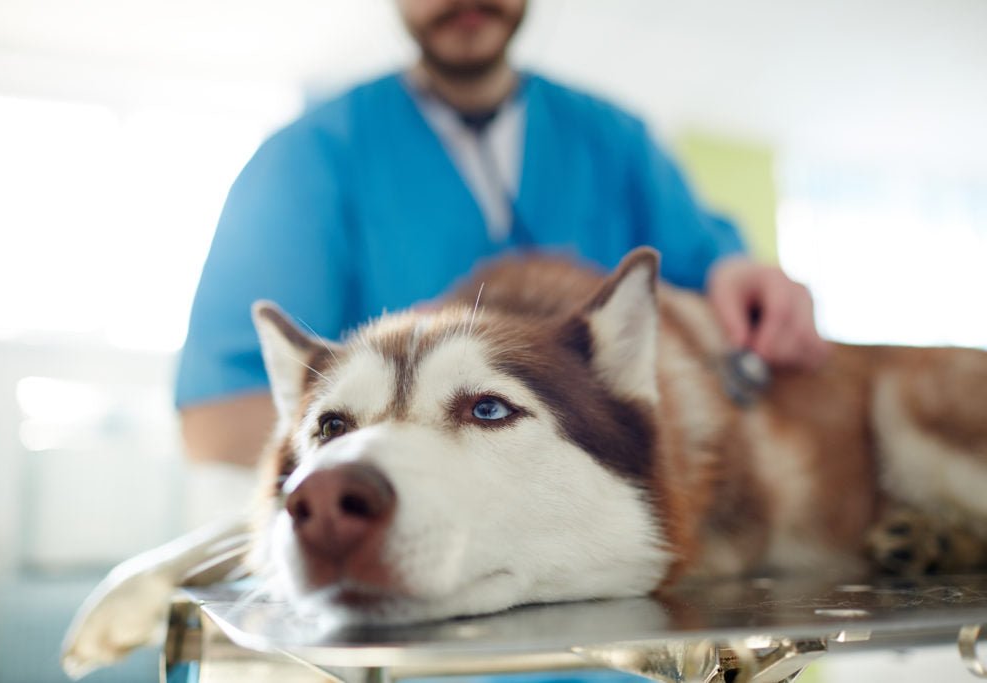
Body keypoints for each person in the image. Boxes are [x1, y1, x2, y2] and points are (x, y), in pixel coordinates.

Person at [176, 0, 827, 468]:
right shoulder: (306, 160)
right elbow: (212, 423)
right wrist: (395, 420)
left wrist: (741, 283)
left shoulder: (617, 143)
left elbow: (709, 280)